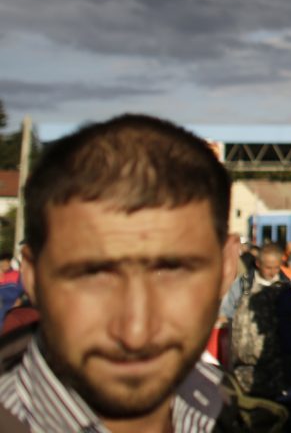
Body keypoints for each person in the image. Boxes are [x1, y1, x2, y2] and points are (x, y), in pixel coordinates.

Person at [0, 114, 244, 431]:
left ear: (226, 266)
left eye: (172, 272)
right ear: (31, 276)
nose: (135, 332)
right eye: (92, 276)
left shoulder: (226, 408)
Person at [217, 241, 291, 399]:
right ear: (258, 263)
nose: (272, 272)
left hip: (278, 368)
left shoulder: (288, 288)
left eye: (276, 267)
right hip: (244, 367)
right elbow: (226, 314)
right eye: (268, 267)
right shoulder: (243, 285)